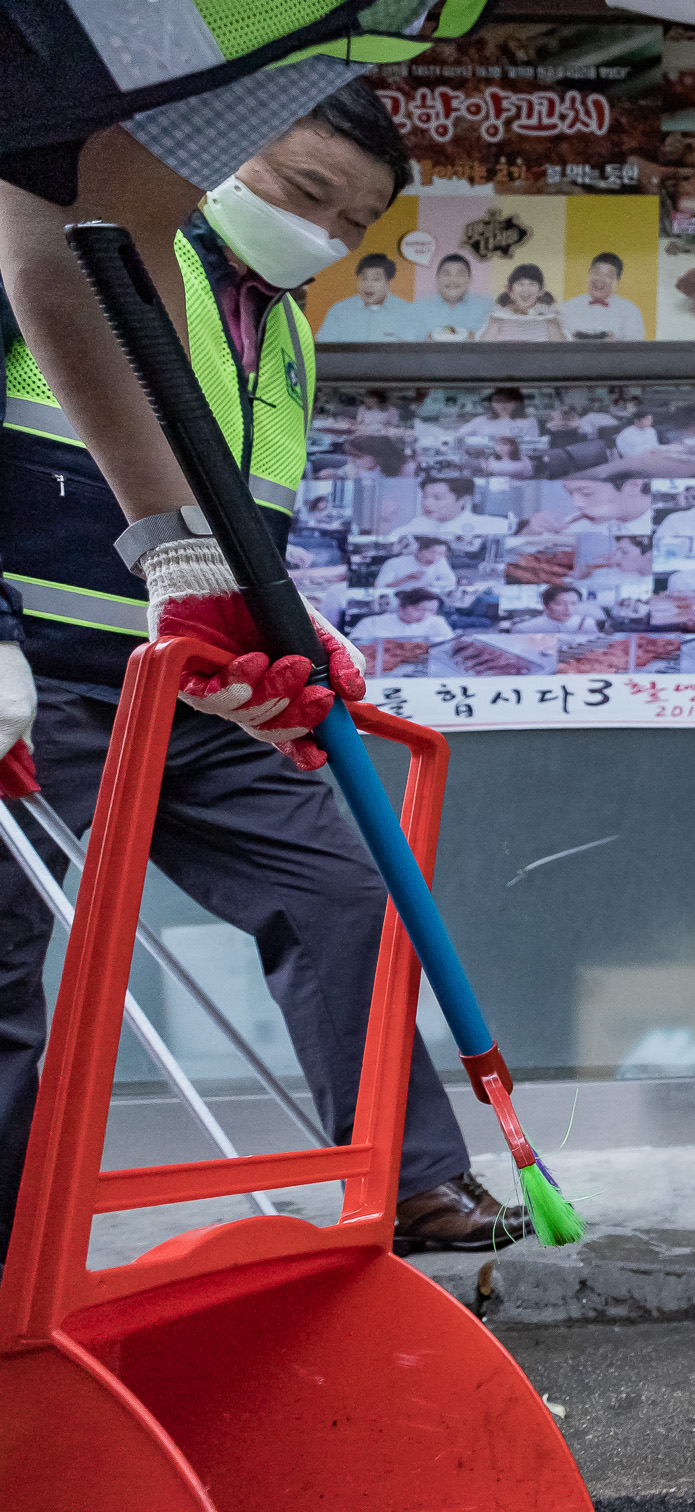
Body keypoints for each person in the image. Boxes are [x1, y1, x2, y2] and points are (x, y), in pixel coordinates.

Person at [0, 81, 529, 1263]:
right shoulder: (76, 241)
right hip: (35, 685)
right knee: (3, 961)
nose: (323, 236)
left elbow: (247, 528)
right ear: (220, 152)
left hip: (194, 696)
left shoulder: (283, 330)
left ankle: (410, 1177)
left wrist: (289, 637)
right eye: (305, 193)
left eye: (353, 225)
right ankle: (11, 1270)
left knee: (347, 896)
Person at [316, 251, 419, 342]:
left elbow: (413, 353)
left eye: (376, 279)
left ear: (388, 282)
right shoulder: (339, 311)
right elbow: (324, 349)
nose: (369, 284)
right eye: (363, 278)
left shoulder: (407, 312)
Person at [387, 475, 510, 542]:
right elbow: (390, 541)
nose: (427, 503)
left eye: (438, 498)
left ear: (464, 499)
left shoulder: (491, 525)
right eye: (425, 497)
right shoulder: (417, 524)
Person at [556, 251, 646, 341]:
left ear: (617, 281)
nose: (600, 278)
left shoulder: (629, 310)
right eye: (595, 272)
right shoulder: (567, 307)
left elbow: (634, 345)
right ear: (588, 275)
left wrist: (614, 343)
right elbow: (559, 342)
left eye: (608, 275)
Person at [526, 474, 654, 536]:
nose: (576, 503)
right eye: (570, 493)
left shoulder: (666, 525)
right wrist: (531, 532)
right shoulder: (578, 525)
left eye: (586, 493)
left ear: (634, 482)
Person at [408, 251, 490, 341]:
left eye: (460, 274)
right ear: (437, 278)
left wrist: (475, 344)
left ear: (469, 279)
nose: (453, 280)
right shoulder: (417, 309)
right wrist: (425, 345)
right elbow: (406, 348)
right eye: (447, 274)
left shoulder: (485, 309)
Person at [481, 263, 566, 343]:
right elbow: (483, 349)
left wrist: (552, 322)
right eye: (520, 284)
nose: (526, 289)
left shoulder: (549, 313)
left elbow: (561, 351)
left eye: (532, 284)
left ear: (541, 290)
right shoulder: (499, 312)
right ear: (510, 289)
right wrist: (495, 322)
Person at [350, 589, 454, 646]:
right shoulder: (370, 623)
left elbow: (448, 650)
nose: (425, 615)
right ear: (401, 607)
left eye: (431, 611)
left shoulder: (438, 623)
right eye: (418, 610)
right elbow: (351, 651)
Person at [374, 537, 457, 596]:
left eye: (441, 554)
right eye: (431, 552)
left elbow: (451, 582)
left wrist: (429, 585)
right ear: (418, 551)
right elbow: (380, 587)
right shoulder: (394, 563)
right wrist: (406, 578)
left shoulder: (440, 561)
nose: (435, 557)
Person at [459, 387, 541, 443]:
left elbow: (533, 445)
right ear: (492, 403)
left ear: (517, 403)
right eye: (498, 401)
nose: (502, 405)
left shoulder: (529, 422)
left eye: (508, 401)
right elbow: (459, 435)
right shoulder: (480, 421)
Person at [535, 584, 604, 634]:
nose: (568, 609)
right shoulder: (531, 626)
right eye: (560, 603)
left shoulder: (586, 623)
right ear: (546, 605)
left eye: (573, 603)